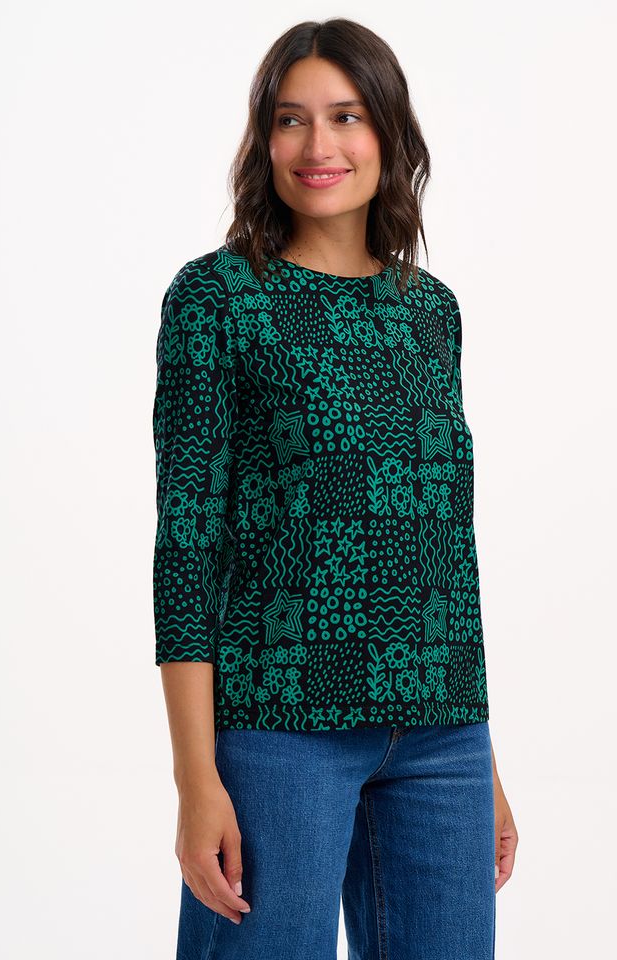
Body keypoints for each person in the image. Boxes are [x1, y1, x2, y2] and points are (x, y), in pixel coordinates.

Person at [152, 17, 518, 960]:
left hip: (441, 736)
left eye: (347, 116)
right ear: (263, 141)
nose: (319, 145)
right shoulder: (218, 298)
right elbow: (186, 542)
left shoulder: (429, 312)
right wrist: (196, 778)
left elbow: (444, 543)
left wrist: (482, 757)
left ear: (389, 134)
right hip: (282, 728)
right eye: (291, 119)